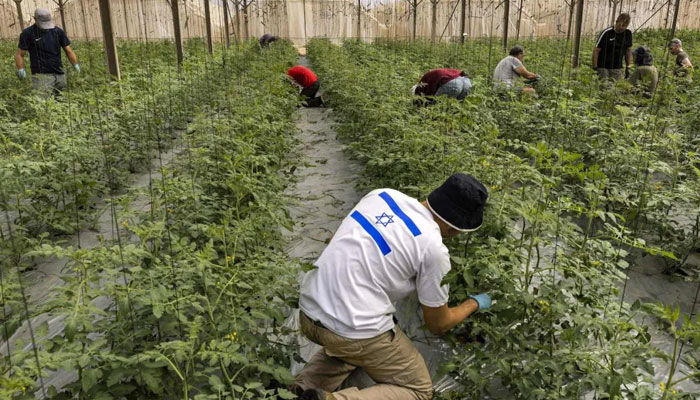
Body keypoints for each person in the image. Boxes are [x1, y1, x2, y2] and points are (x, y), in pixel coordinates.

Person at [294, 173, 492, 400]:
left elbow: (333, 242)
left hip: (308, 309)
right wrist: (473, 303)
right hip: (351, 331)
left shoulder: (382, 195)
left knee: (351, 347)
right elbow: (438, 324)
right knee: (418, 390)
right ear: (455, 229)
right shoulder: (434, 249)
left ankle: (297, 390)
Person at [14, 8, 80, 97]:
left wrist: (75, 65)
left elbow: (68, 50)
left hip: (59, 74)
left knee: (61, 102)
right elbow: (19, 54)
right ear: (35, 19)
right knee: (41, 103)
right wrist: (21, 69)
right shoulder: (27, 33)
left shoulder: (57, 31)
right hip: (41, 76)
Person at [592, 13, 633, 82]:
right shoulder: (607, 33)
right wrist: (595, 67)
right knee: (603, 87)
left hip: (617, 67)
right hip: (603, 67)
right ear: (617, 22)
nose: (623, 28)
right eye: (622, 25)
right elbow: (596, 51)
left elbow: (628, 51)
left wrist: (628, 66)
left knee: (615, 89)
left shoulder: (628, 34)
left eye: (625, 26)